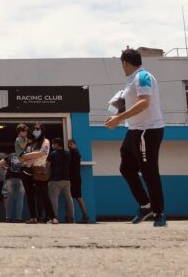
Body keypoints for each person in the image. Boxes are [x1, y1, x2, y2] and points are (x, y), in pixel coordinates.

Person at [104, 48, 167, 227]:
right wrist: (117, 112)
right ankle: (145, 205)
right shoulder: (131, 80)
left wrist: (118, 118)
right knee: (126, 168)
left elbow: (144, 103)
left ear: (125, 63)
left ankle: (158, 212)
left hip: (148, 130)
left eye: (121, 64)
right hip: (134, 130)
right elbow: (132, 103)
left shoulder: (143, 76)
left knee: (149, 172)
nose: (122, 67)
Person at [25, 123, 55, 223]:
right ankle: (34, 217)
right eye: (34, 129)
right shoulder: (31, 142)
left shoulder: (45, 141)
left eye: (38, 129)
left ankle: (52, 217)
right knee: (31, 195)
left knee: (43, 195)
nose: (35, 130)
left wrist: (27, 157)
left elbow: (42, 152)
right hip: (29, 170)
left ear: (42, 130)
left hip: (39, 170)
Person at [47, 138, 73, 224]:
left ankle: (54, 218)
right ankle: (71, 217)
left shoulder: (52, 154)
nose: (53, 145)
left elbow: (47, 165)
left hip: (55, 180)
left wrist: (47, 176)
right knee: (69, 199)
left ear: (57, 144)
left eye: (53, 144)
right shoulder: (68, 153)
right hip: (66, 179)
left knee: (54, 199)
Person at [0, 148, 26, 223]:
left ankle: (8, 218)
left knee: (9, 198)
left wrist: (5, 168)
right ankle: (18, 218)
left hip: (9, 178)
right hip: (21, 179)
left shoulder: (10, 155)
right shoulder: (25, 155)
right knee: (20, 199)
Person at [68, 139, 89, 223]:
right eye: (69, 144)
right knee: (78, 197)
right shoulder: (77, 153)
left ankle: (70, 217)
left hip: (73, 178)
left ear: (75, 144)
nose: (70, 145)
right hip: (77, 177)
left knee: (71, 197)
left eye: (71, 144)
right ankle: (85, 215)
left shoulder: (72, 153)